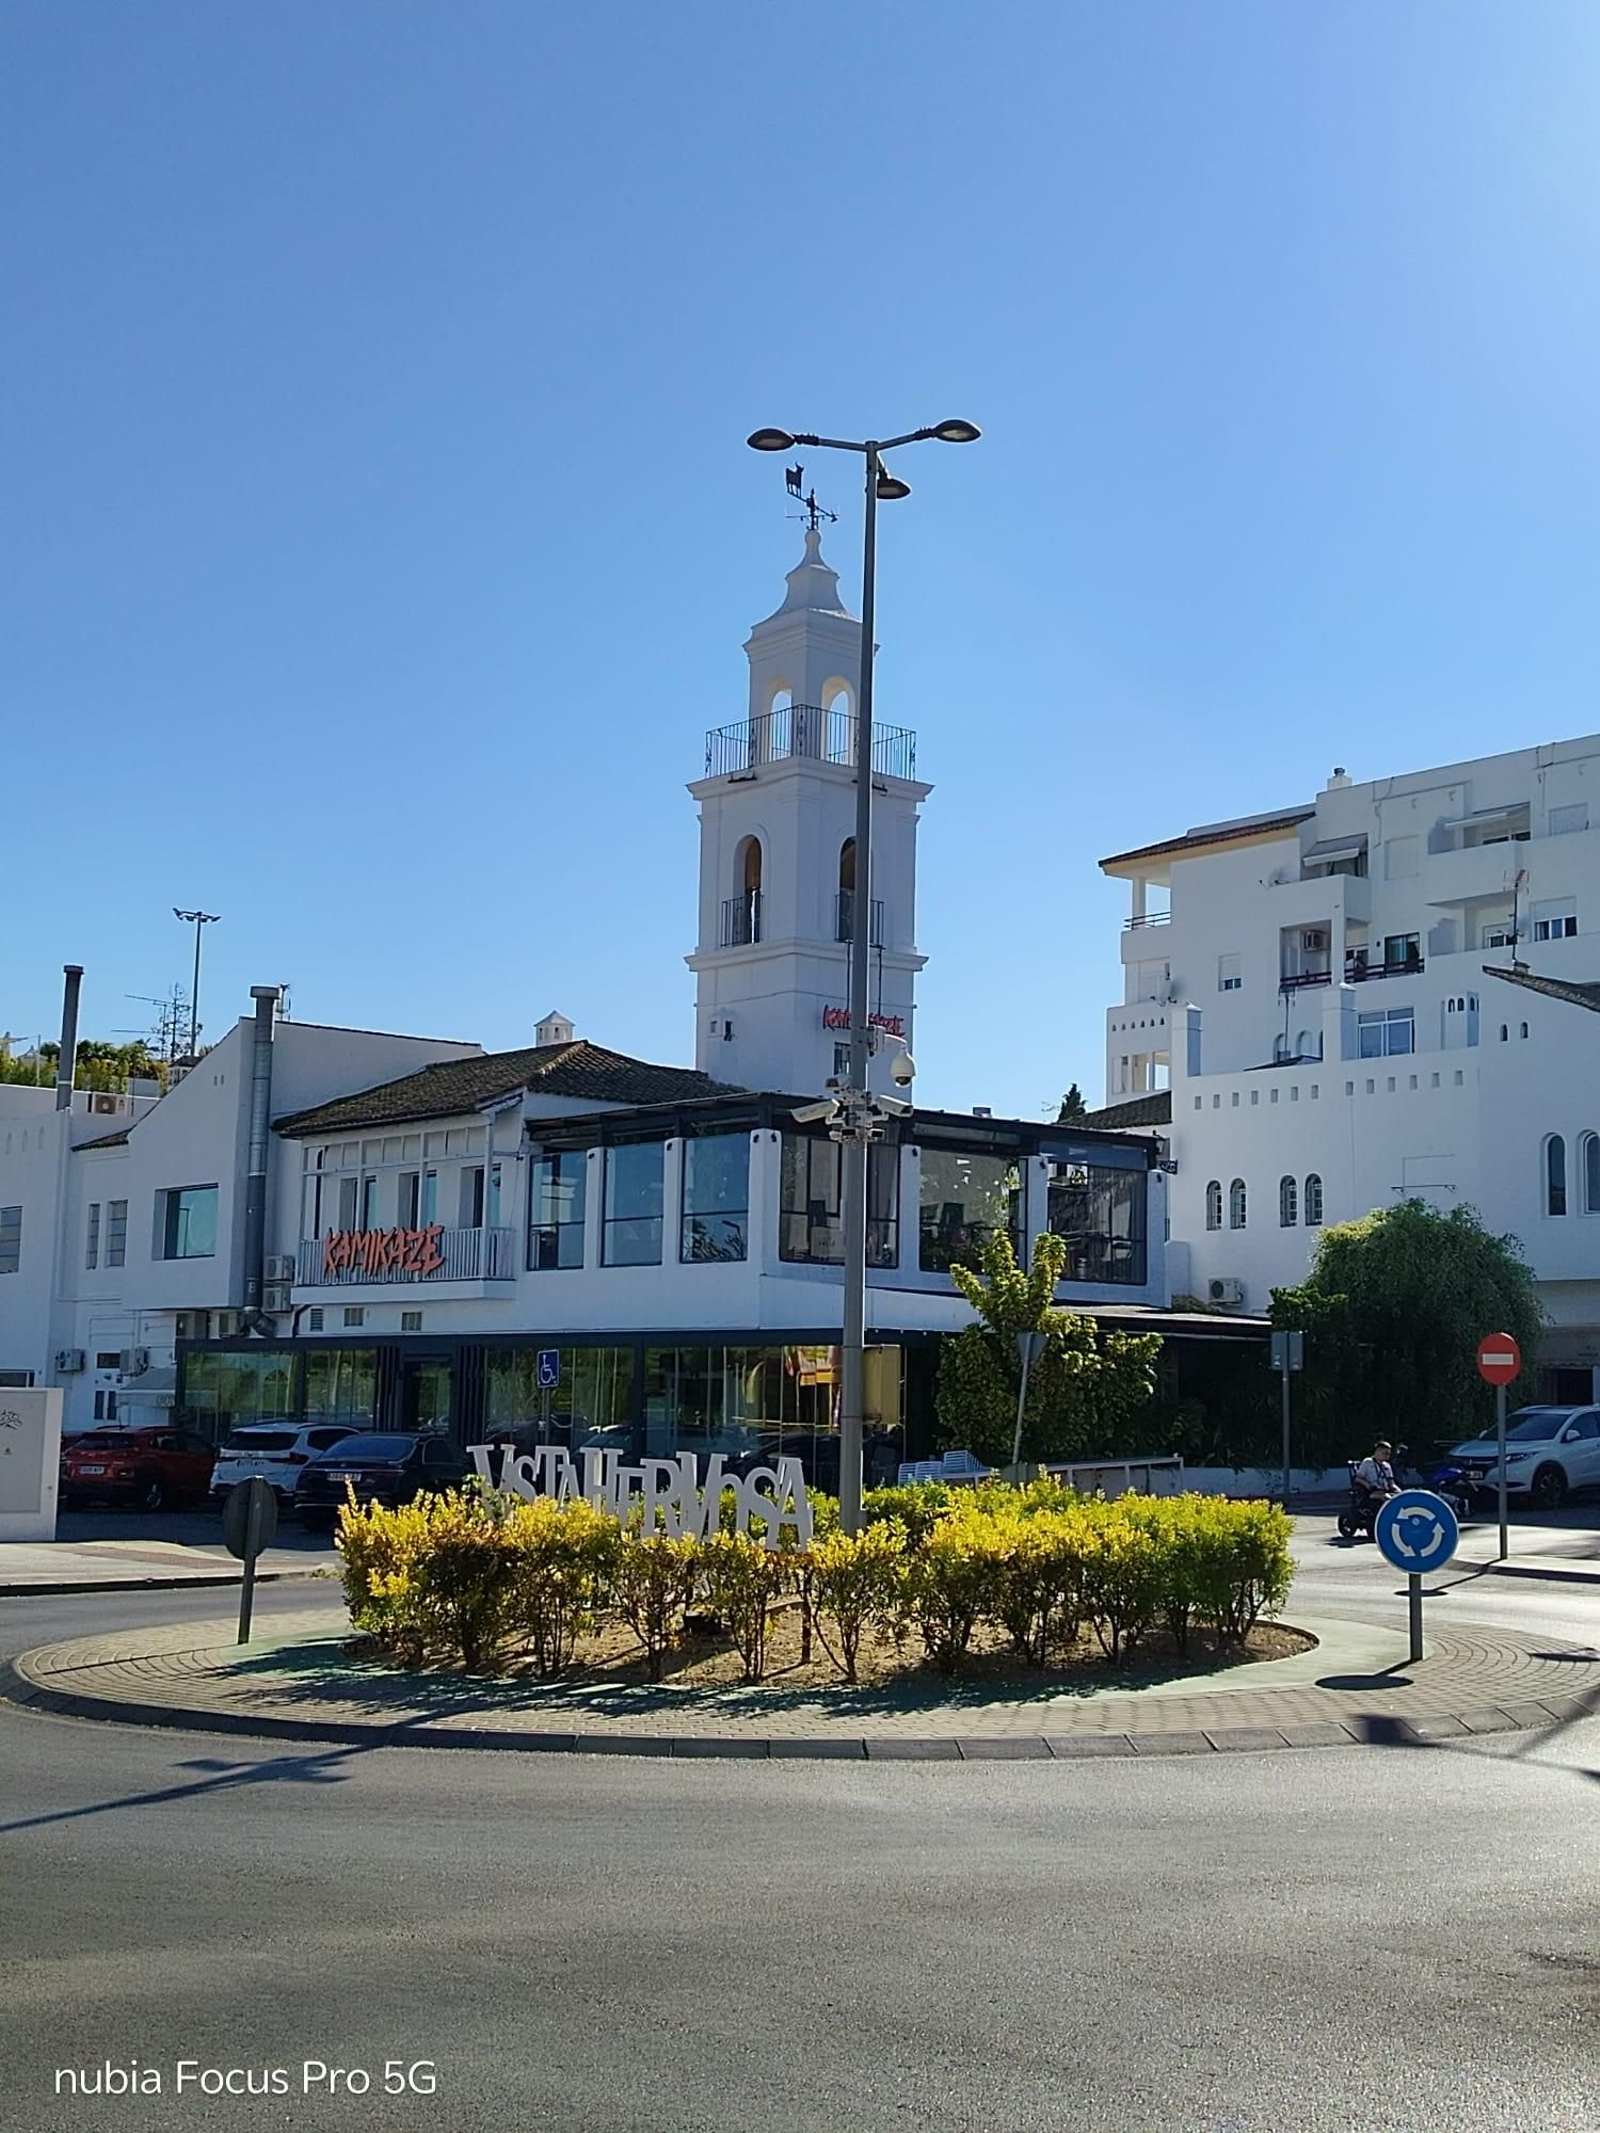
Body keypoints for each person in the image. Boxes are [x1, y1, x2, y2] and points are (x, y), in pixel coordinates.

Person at [1353, 1439, 1398, 1511]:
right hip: (1372, 1491)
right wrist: (1368, 1485)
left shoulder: (1387, 1465)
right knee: (1388, 1499)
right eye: (1386, 1453)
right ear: (1378, 1451)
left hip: (1385, 1490)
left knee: (1399, 1497)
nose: (1388, 1456)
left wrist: (1400, 1492)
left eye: (1389, 1454)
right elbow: (1358, 1478)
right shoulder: (1368, 1462)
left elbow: (1391, 1483)